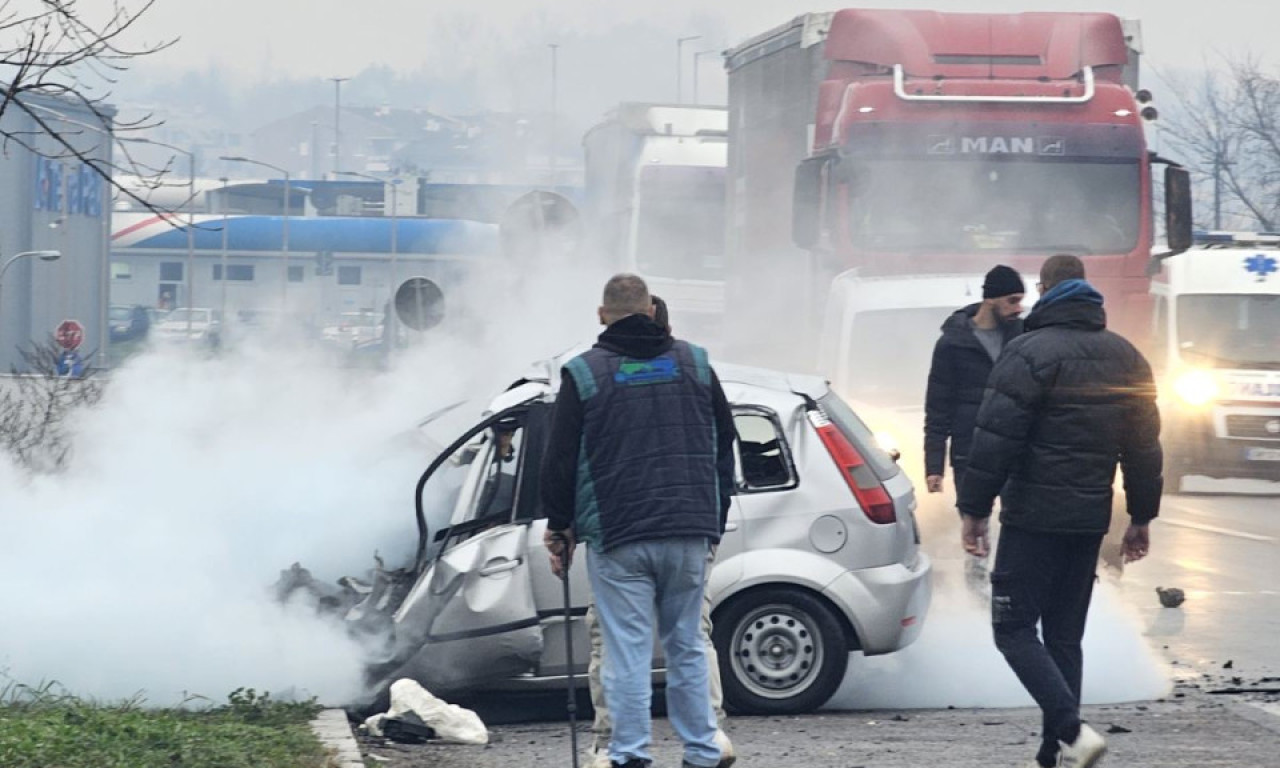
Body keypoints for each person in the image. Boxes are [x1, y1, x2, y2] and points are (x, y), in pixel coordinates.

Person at [957, 254, 1162, 768]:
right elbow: (1144, 449)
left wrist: (974, 510)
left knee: (1013, 628)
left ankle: (1071, 730)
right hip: (1089, 519)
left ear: (1045, 290)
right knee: (1065, 636)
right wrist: (1140, 518)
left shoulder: (1027, 353)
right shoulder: (1128, 358)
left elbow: (995, 439)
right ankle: (1055, 752)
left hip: (1031, 519)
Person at [541, 274, 737, 768]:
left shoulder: (583, 373)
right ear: (651, 310)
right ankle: (702, 751)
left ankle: (629, 754)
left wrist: (560, 526)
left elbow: (559, 459)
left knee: (626, 652)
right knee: (688, 643)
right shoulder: (696, 363)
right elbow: (724, 443)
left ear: (602, 315)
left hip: (619, 533)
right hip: (690, 529)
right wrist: (714, 517)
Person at [923, 264, 1026, 497]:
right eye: (1012, 300)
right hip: (969, 453)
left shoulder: (1023, 337)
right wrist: (934, 467)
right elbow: (938, 407)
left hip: (1014, 453)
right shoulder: (952, 344)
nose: (1018, 308)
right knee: (973, 526)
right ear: (990, 300)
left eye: (1020, 300)